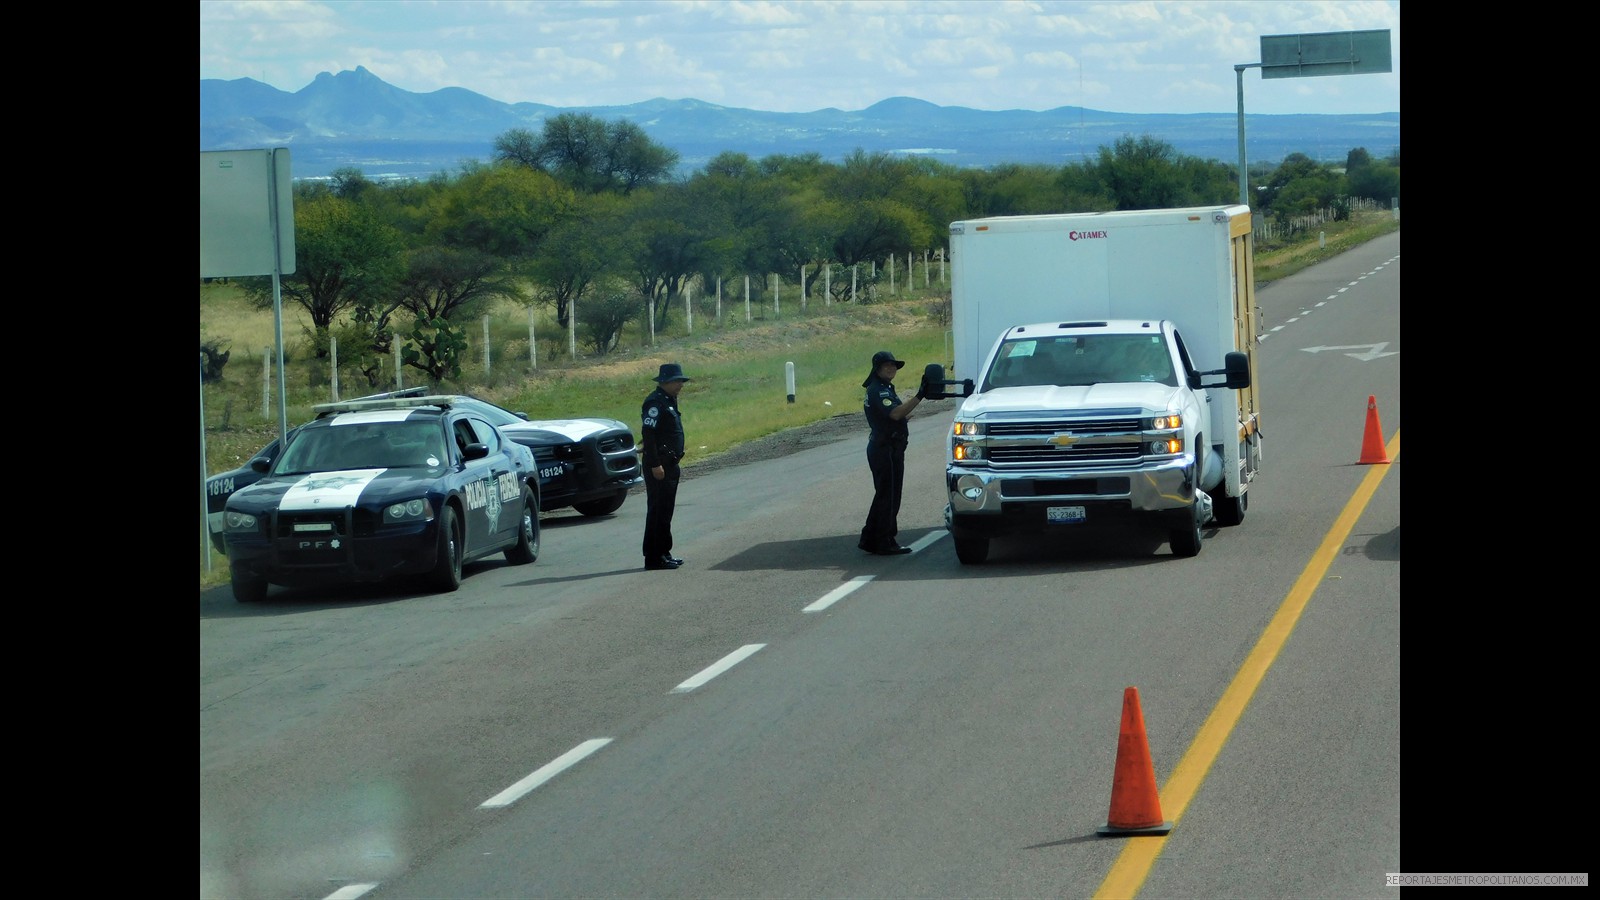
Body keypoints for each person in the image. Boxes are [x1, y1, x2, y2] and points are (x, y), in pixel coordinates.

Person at [859, 349, 925, 555]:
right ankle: (883, 541)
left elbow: (892, 416)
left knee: (885, 494)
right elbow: (895, 414)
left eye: (894, 365)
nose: (891, 368)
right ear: (877, 368)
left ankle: (871, 538)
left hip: (887, 447)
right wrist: (920, 395)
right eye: (887, 365)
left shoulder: (884, 387)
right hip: (885, 448)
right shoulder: (878, 390)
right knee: (889, 496)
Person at [641, 362, 691, 571]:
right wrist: (655, 464)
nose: (680, 384)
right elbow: (648, 435)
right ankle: (654, 557)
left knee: (666, 510)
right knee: (658, 510)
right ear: (665, 382)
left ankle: (664, 551)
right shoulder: (655, 403)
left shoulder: (669, 401)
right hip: (660, 465)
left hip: (670, 464)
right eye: (677, 381)